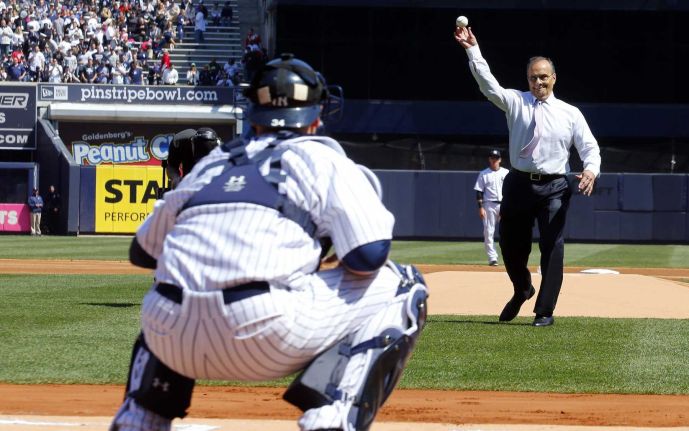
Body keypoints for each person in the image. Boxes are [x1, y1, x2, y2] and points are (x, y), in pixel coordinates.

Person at [109, 53, 428, 431]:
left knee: (169, 284)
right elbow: (368, 256)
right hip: (267, 334)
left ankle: (139, 418)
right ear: (315, 116)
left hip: (170, 340)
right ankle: (334, 418)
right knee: (404, 284)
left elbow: (143, 252)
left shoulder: (212, 163)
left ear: (254, 113)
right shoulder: (323, 157)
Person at [455, 25, 601, 327]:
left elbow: (589, 146)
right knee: (510, 245)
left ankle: (544, 310)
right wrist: (473, 50)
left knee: (553, 246)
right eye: (533, 77)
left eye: (543, 76)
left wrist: (590, 169)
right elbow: (487, 84)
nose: (538, 82)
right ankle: (522, 288)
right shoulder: (515, 102)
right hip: (519, 183)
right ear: (527, 80)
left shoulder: (570, 113)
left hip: (556, 187)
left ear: (554, 78)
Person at [474, 149, 509, 267]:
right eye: (492, 157)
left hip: (504, 204)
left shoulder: (506, 172)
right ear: (489, 159)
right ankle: (493, 258)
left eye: (496, 158)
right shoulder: (484, 173)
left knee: (508, 232)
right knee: (488, 232)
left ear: (500, 159)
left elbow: (511, 190)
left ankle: (509, 257)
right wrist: (480, 208)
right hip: (489, 205)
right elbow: (479, 192)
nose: (494, 160)